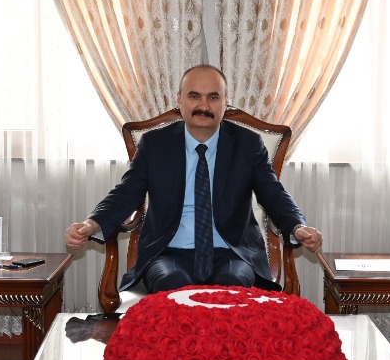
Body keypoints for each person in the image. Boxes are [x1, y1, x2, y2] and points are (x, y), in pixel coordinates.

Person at [65, 64, 324, 293]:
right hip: (168, 253)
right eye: (194, 96)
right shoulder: (155, 144)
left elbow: (273, 193)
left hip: (232, 254)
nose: (204, 106)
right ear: (179, 100)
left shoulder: (247, 144)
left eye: (213, 97)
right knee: (174, 286)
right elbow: (127, 192)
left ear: (225, 102)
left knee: (230, 289)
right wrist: (92, 224)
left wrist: (297, 226)